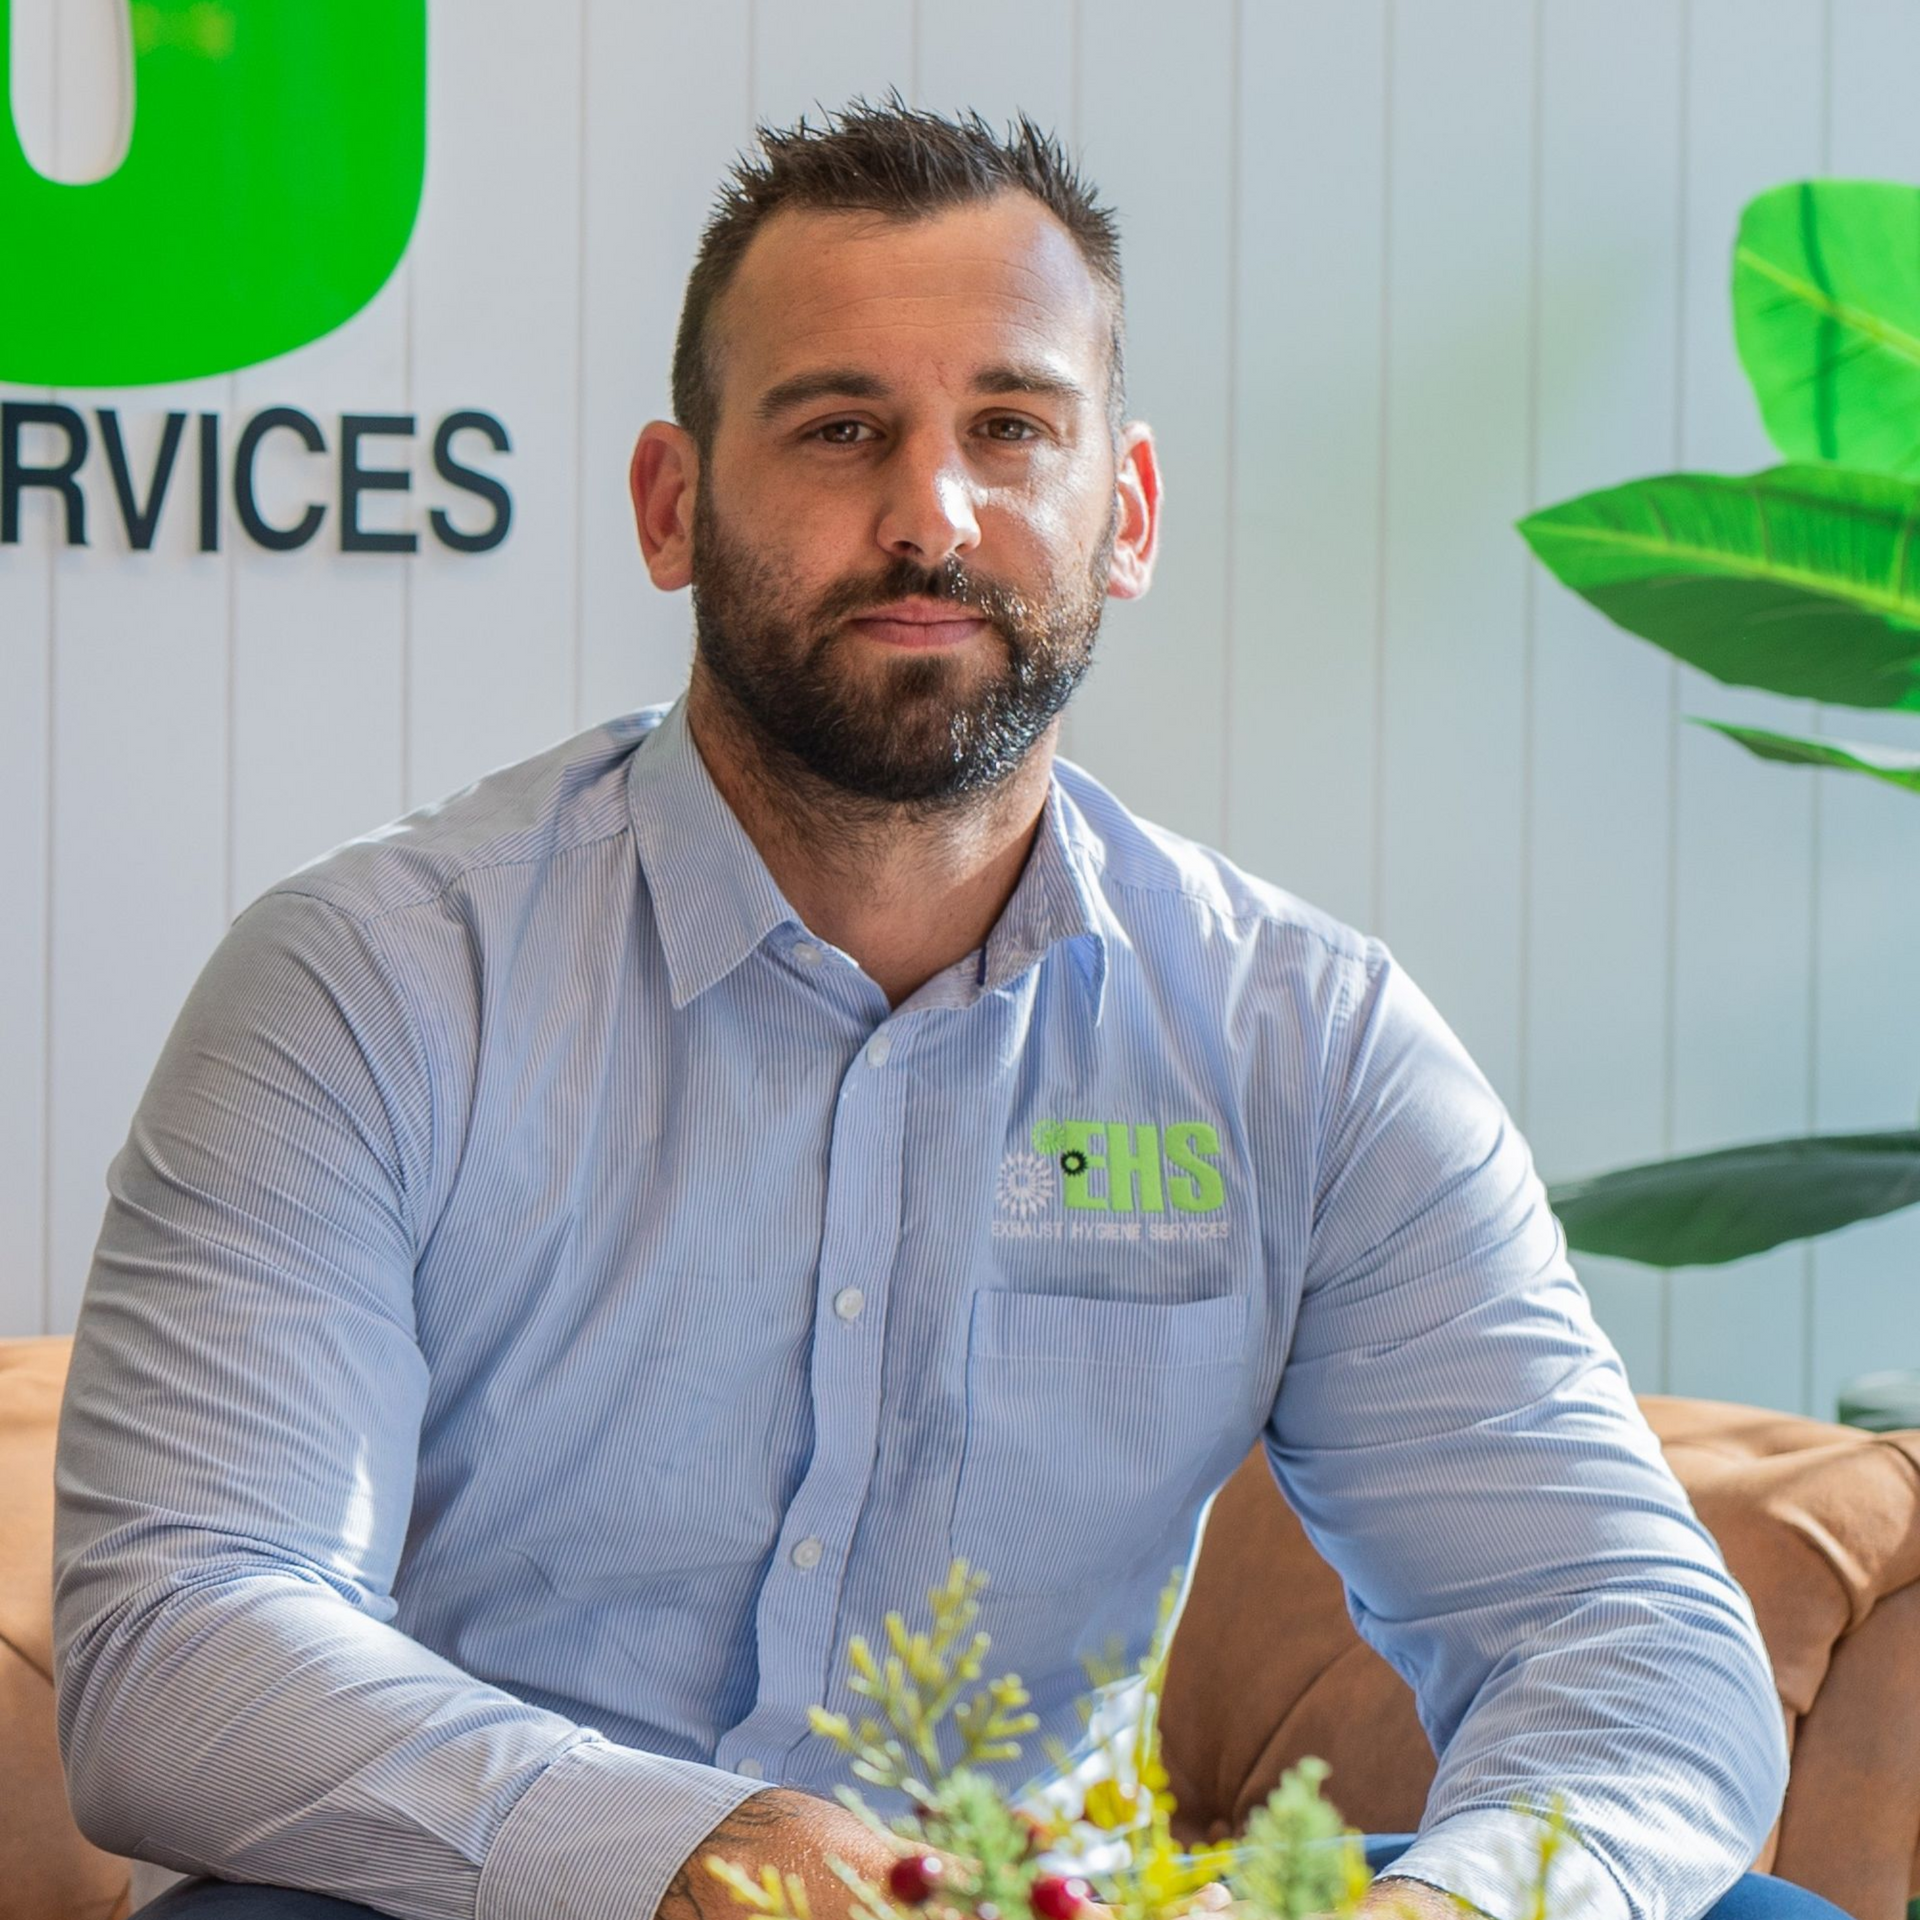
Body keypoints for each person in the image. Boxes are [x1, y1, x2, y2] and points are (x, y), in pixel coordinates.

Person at [53, 100, 1809, 1920]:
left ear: (1121, 513)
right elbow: (180, 1636)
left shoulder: (1311, 1050)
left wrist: (1446, 1915)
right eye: (839, 431)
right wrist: (687, 1851)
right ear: (673, 505)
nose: (931, 515)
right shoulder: (375, 984)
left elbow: (1626, 1633)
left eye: (1011, 428)